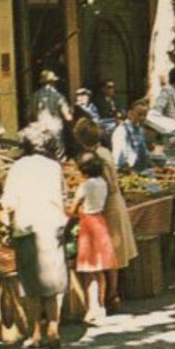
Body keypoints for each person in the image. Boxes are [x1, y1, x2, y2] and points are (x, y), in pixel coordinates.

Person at [0, 127, 71, 348]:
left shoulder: (18, 167)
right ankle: (53, 329)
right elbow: (63, 195)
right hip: (52, 224)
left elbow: (9, 201)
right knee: (52, 280)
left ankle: (35, 333)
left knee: (31, 284)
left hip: (27, 226)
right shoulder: (53, 167)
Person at [73, 117, 137, 312]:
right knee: (111, 253)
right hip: (110, 203)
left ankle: (111, 296)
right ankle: (111, 296)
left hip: (107, 206)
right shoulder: (103, 152)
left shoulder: (98, 156)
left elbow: (109, 184)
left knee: (111, 253)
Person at [69, 153, 118, 325]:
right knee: (100, 268)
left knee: (90, 271)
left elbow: (72, 209)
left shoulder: (85, 185)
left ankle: (93, 308)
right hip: (100, 221)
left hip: (88, 225)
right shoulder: (102, 183)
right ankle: (102, 305)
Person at [112, 98, 154, 173]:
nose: (142, 118)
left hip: (140, 170)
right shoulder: (121, 131)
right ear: (130, 114)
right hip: (127, 171)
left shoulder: (139, 130)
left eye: (145, 115)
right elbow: (118, 157)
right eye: (140, 114)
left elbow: (143, 152)